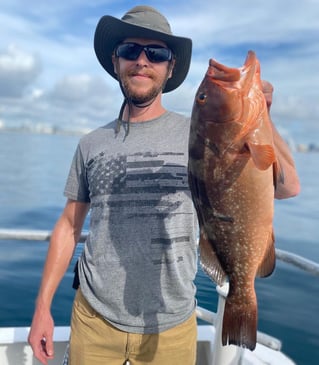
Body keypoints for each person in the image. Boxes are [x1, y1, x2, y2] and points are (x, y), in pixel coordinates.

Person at [28, 5, 300, 365]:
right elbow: (68, 225)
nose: (142, 61)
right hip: (93, 319)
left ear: (170, 68)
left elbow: (287, 187)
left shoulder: (198, 133)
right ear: (115, 62)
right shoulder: (90, 144)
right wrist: (42, 307)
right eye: (130, 51)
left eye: (156, 53)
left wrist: (262, 115)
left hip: (172, 327)